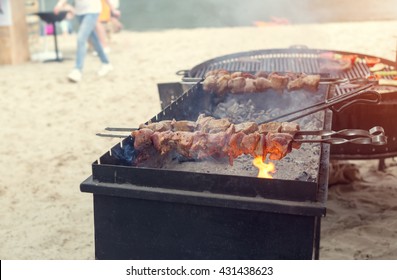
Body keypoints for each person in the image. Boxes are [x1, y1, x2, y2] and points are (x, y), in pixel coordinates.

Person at [53, 0, 120, 83]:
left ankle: (77, 69)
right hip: (79, 12)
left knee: (81, 38)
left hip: (92, 11)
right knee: (93, 38)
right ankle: (106, 63)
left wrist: (112, 9)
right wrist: (59, 4)